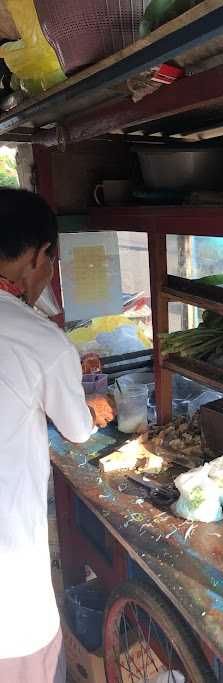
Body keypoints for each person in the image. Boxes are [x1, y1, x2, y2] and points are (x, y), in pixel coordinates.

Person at [0, 188, 116, 682]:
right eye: (53, 259)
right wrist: (90, 404)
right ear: (37, 256)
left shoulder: (35, 334)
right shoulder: (38, 339)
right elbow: (75, 430)